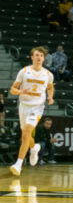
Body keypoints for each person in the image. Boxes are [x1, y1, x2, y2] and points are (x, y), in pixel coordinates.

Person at [9, 47, 55, 175]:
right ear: (32, 57)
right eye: (36, 55)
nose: (39, 57)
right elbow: (12, 89)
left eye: (41, 55)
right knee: (25, 134)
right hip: (23, 106)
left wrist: (50, 97)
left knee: (27, 132)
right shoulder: (23, 71)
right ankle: (34, 147)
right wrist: (20, 91)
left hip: (37, 107)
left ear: (43, 58)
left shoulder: (48, 74)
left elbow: (50, 88)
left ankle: (18, 164)